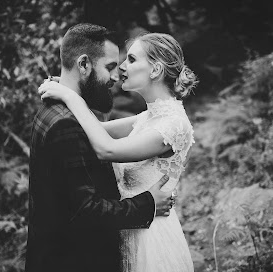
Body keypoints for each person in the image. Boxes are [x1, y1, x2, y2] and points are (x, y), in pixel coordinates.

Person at [39, 32, 198, 271]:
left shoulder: (174, 125)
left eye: (132, 59)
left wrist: (69, 96)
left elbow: (107, 149)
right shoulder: (151, 116)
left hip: (150, 238)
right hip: (129, 225)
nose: (123, 67)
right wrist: (67, 84)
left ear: (155, 70)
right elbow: (96, 130)